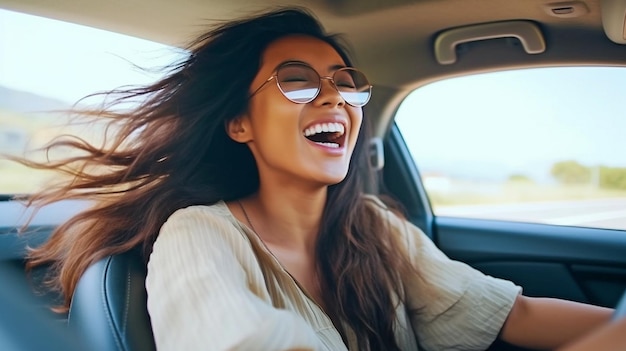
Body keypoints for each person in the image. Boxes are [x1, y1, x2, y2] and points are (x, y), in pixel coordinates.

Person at [15, 6, 624, 351]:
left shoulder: (376, 228)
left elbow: (509, 315)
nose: (336, 98)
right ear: (238, 124)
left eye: (345, 82)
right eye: (300, 81)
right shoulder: (200, 235)